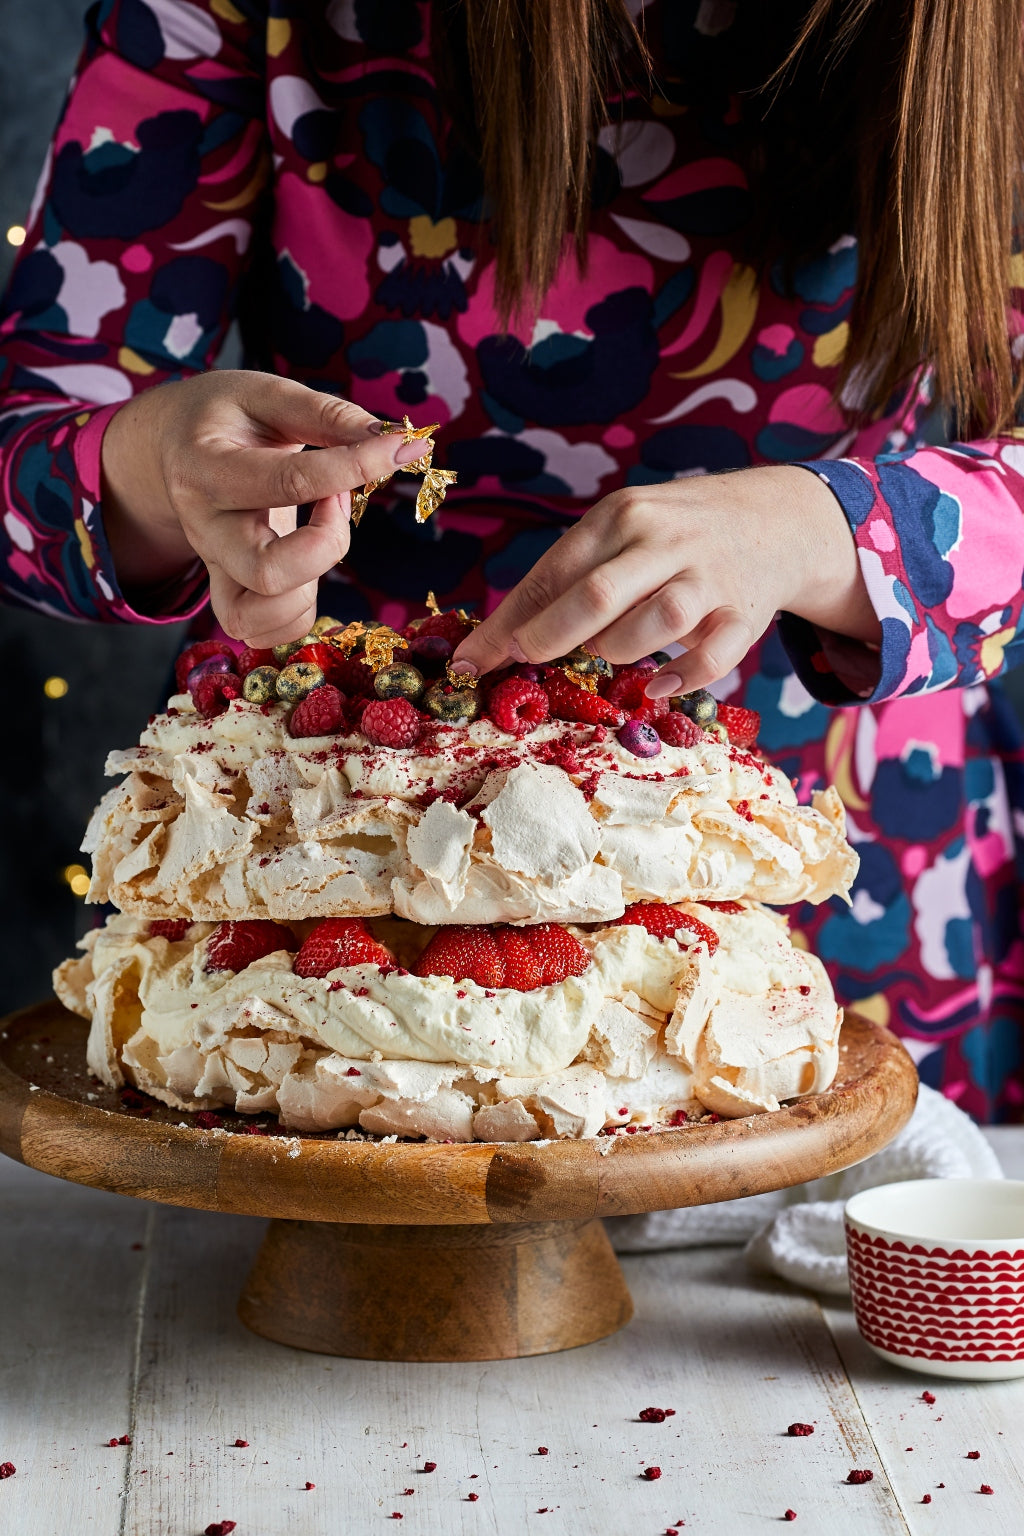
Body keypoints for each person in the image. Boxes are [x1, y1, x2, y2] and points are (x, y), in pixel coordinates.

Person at [1, 0, 1022, 1121]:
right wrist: (148, 470)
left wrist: (834, 526)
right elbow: (34, 428)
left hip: (839, 833)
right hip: (310, 817)